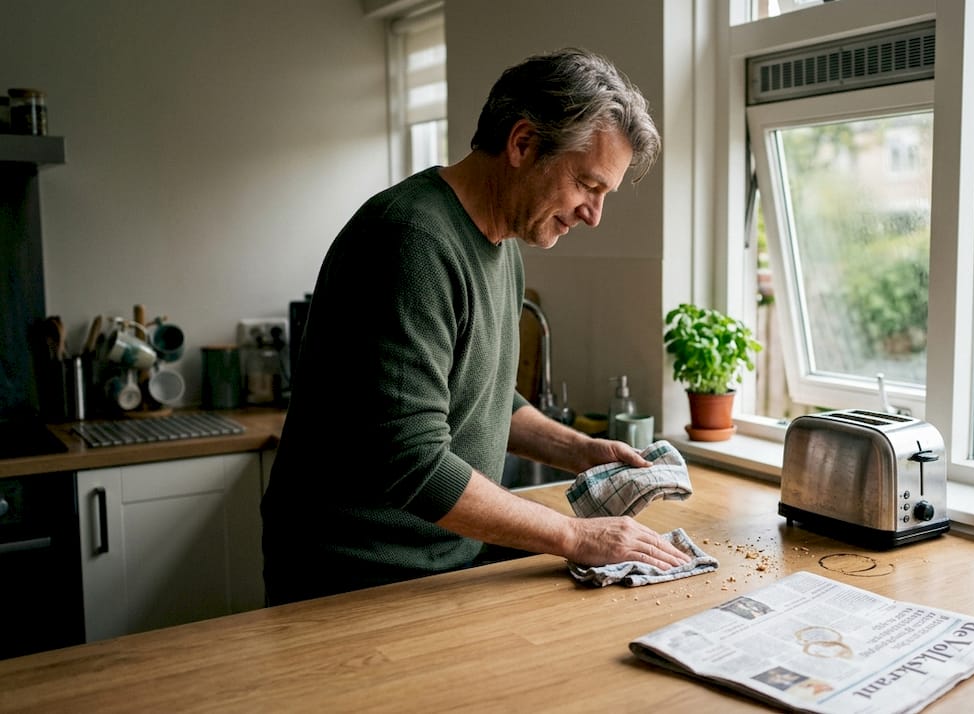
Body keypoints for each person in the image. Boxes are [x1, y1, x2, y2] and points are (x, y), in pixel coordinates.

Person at [260, 48, 690, 605]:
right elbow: (413, 462)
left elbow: (483, 396)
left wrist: (583, 451)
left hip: (442, 562)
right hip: (355, 578)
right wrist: (573, 534)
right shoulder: (409, 240)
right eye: (588, 185)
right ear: (523, 144)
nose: (593, 214)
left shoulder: (503, 243)